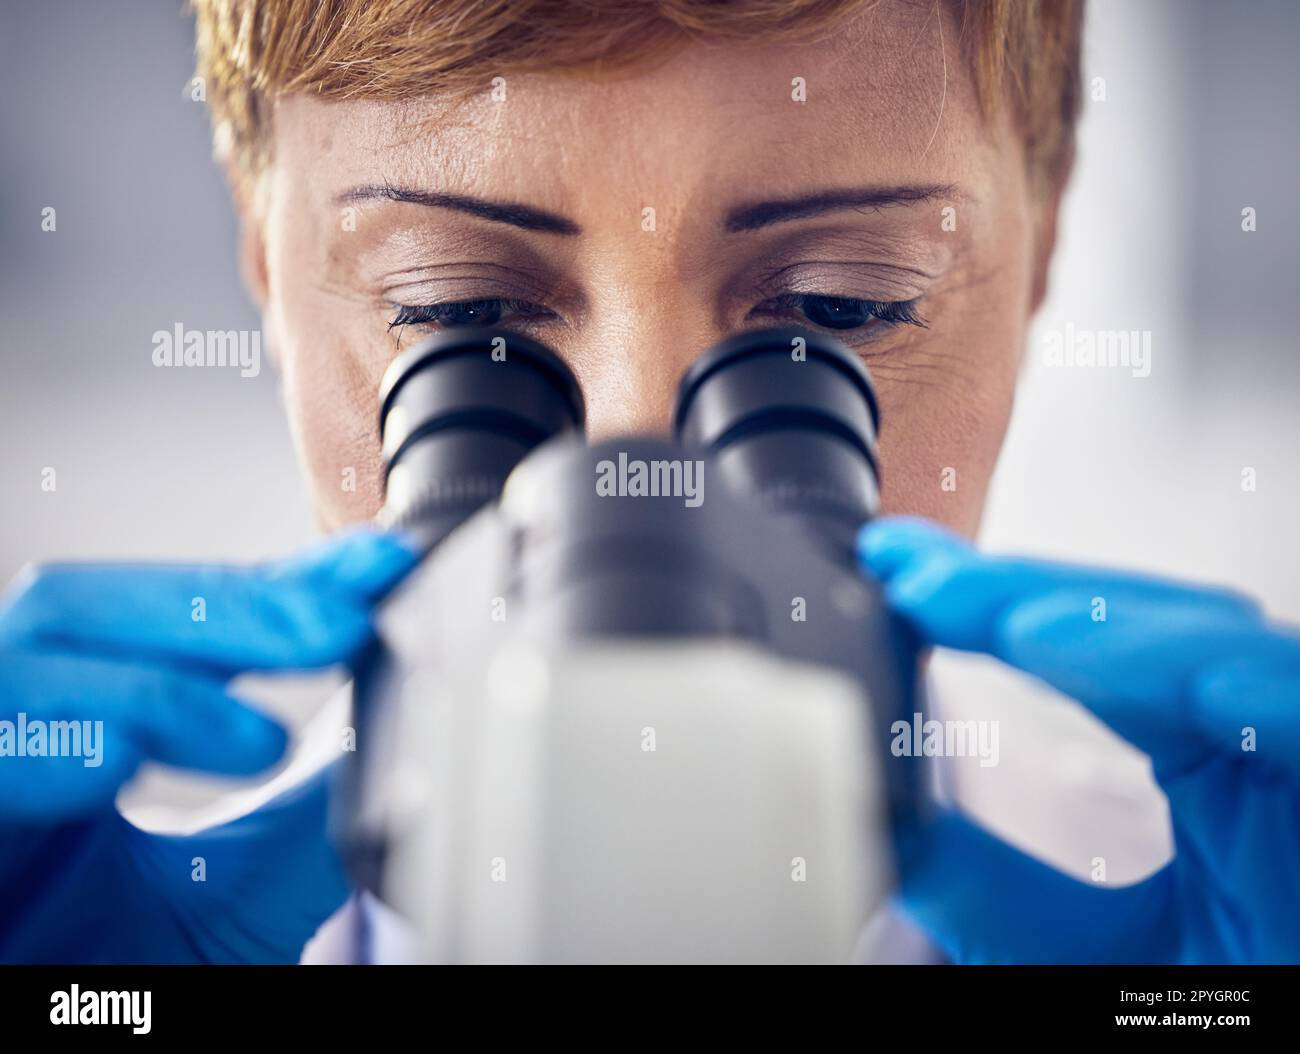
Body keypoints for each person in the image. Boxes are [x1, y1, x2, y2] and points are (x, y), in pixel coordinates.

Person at [1, 0, 1296, 963]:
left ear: (1042, 259)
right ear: (271, 278)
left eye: (836, 306)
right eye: (462, 318)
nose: (638, 469)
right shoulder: (78, 914)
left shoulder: (1217, 905)